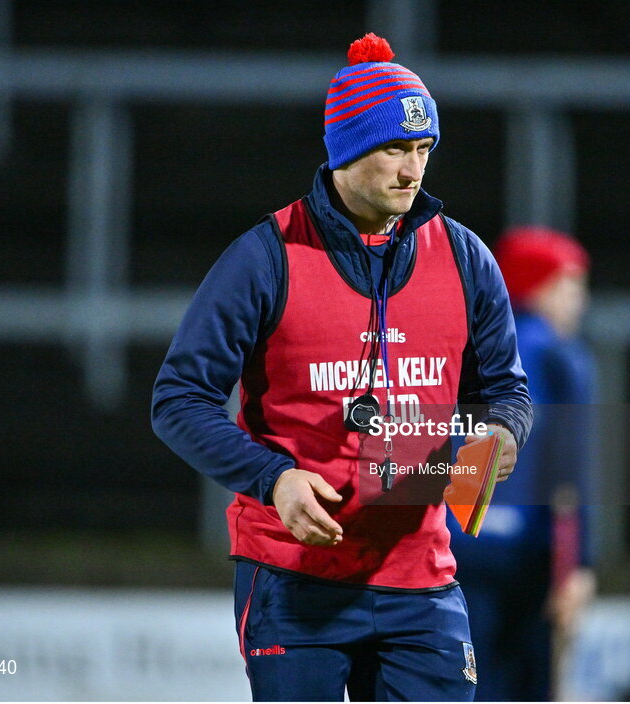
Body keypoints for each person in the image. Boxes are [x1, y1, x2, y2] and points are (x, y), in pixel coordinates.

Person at [151, 33, 532, 702]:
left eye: (422, 151)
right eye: (393, 149)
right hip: (295, 580)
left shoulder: (467, 259)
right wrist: (273, 480)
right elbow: (177, 400)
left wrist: (500, 434)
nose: (412, 172)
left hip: (422, 579)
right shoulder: (265, 258)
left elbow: (506, 390)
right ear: (345, 150)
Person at [449, 225, 597, 701]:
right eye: (572, 285)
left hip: (453, 547)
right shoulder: (560, 357)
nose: (580, 302)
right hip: (527, 555)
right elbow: (569, 476)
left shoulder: (457, 344)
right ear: (538, 285)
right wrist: (578, 565)